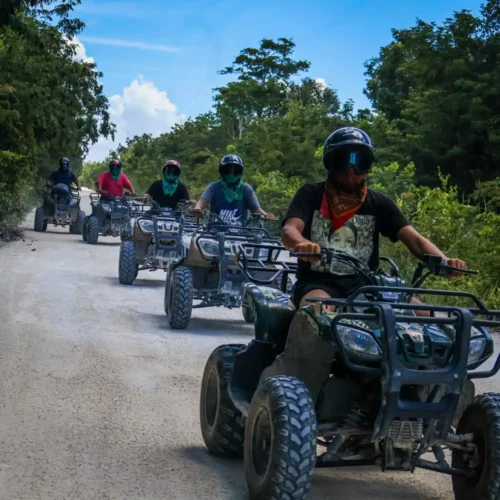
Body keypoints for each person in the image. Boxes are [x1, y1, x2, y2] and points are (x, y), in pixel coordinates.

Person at [281, 126, 467, 309]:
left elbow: (415, 240)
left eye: (359, 161)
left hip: (368, 286)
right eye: (342, 160)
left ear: (367, 166)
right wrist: (301, 244)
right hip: (319, 284)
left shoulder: (378, 203)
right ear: (330, 164)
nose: (350, 169)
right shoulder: (310, 194)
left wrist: (444, 262)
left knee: (426, 314)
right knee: (317, 312)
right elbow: (290, 229)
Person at [191, 154, 275, 224]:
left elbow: (256, 209)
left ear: (240, 172)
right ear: (222, 172)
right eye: (227, 170)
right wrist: (198, 208)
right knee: (195, 240)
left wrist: (265, 215)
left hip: (240, 234)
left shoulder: (246, 188)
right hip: (215, 232)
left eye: (236, 170)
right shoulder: (214, 187)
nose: (231, 174)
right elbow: (202, 201)